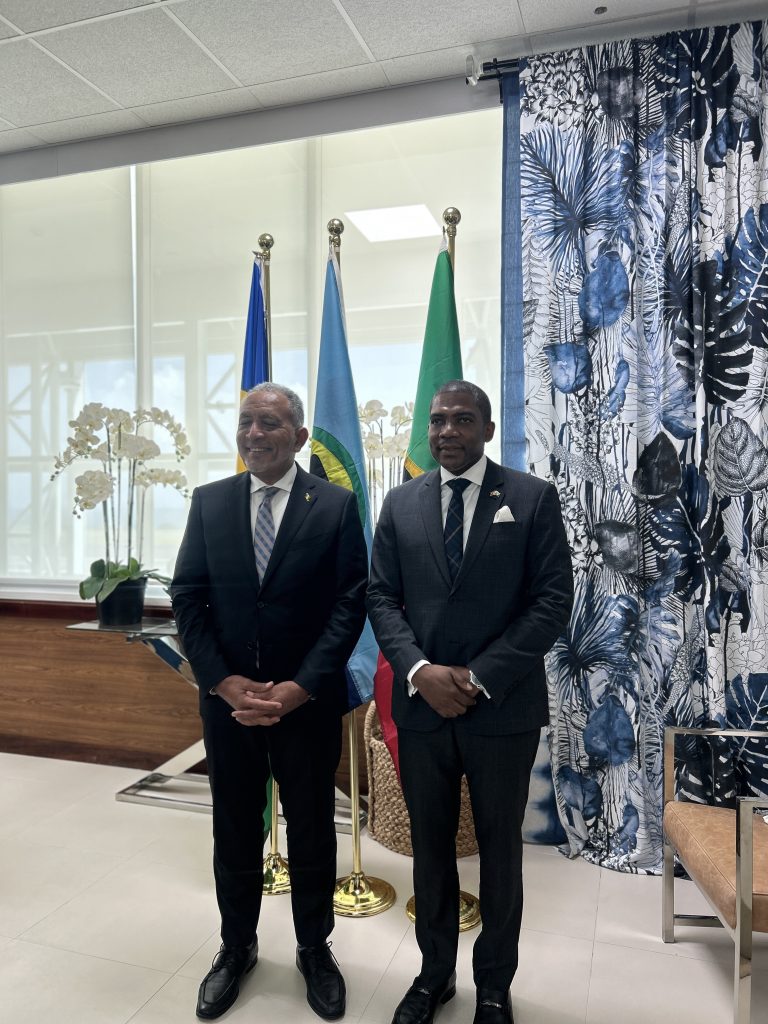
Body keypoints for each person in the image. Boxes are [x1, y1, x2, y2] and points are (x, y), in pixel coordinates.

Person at [367, 381, 573, 1024]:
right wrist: (420, 670)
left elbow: (551, 603)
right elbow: (380, 597)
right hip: (422, 709)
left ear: (487, 429)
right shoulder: (400, 503)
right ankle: (433, 977)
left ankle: (493, 987)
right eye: (437, 420)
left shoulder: (531, 498)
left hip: (502, 709)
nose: (447, 431)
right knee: (430, 851)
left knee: (499, 853)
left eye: (462, 419)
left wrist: (479, 677)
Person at [171, 382, 368, 1022]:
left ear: (300, 437)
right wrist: (221, 680)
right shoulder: (209, 502)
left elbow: (350, 604)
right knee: (234, 827)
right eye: (246, 421)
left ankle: (315, 948)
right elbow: (187, 596)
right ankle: (236, 947)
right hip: (229, 704)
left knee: (311, 828)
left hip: (305, 705)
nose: (254, 433)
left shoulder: (334, 505)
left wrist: (300, 686)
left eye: (270, 423)